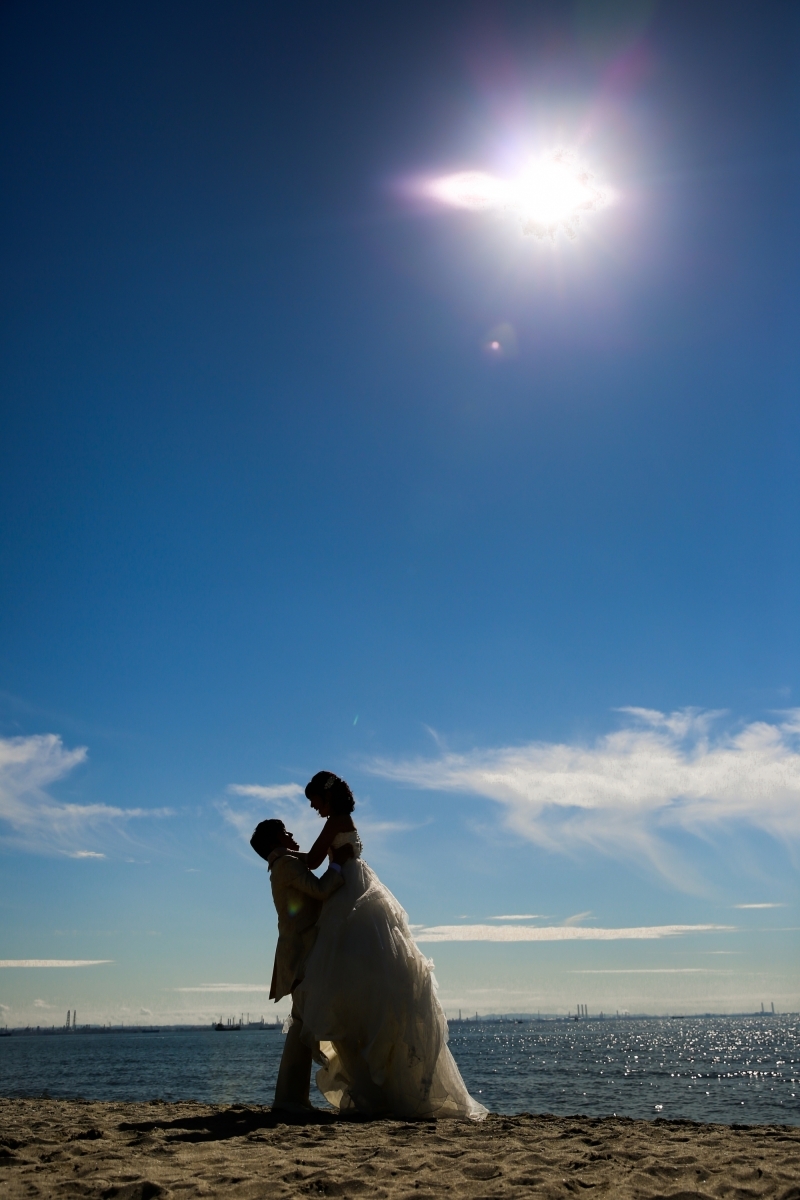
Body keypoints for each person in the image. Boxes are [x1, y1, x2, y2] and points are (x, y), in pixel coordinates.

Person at [294, 771, 487, 1120]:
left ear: (326, 796)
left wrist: (283, 855)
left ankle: (371, 1083)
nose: (313, 807)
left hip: (346, 894)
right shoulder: (345, 820)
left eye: (314, 800)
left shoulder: (336, 820)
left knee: (345, 979)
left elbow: (313, 861)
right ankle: (378, 1082)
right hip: (354, 885)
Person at [249, 817, 344, 1112]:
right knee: (302, 1024)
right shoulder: (287, 865)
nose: (291, 834)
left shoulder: (282, 864)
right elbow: (320, 890)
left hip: (302, 955)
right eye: (284, 832)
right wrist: (339, 865)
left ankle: (292, 1097)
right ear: (275, 840)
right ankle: (290, 1099)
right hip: (302, 956)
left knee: (302, 1022)